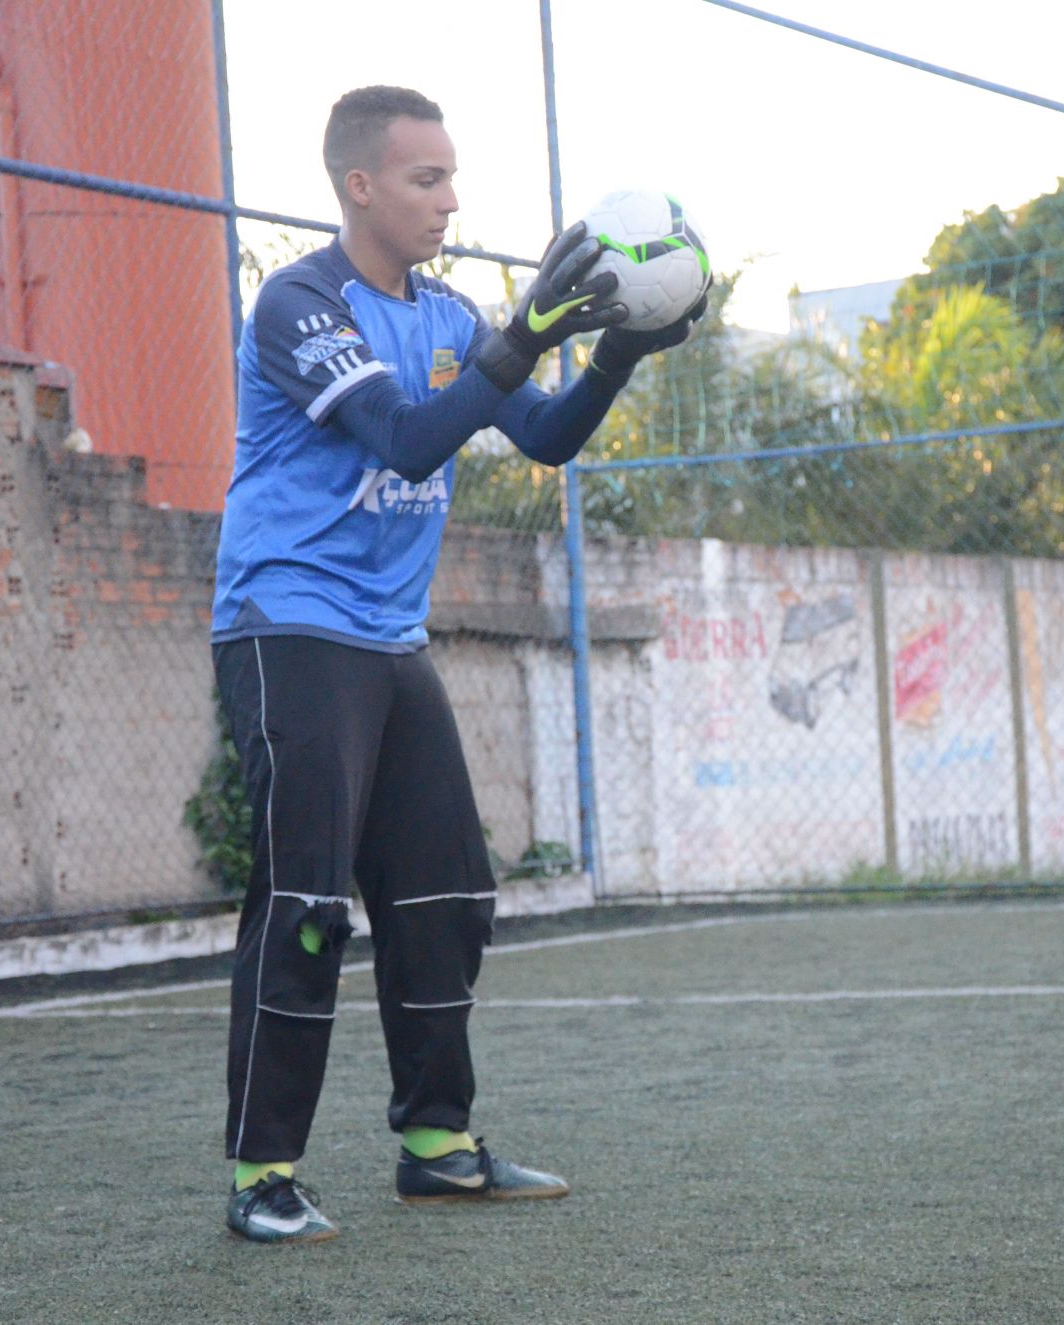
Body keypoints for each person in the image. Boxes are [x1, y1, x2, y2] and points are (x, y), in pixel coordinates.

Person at [212, 85, 700, 1244]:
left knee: (445, 896)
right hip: (289, 627)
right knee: (307, 905)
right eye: (424, 178)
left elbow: (540, 437)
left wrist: (618, 349)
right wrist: (523, 335)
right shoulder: (298, 304)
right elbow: (403, 434)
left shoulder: (442, 314)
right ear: (359, 185)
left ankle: (436, 1143)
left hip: (387, 639)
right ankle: (261, 1171)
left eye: (451, 176)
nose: (448, 198)